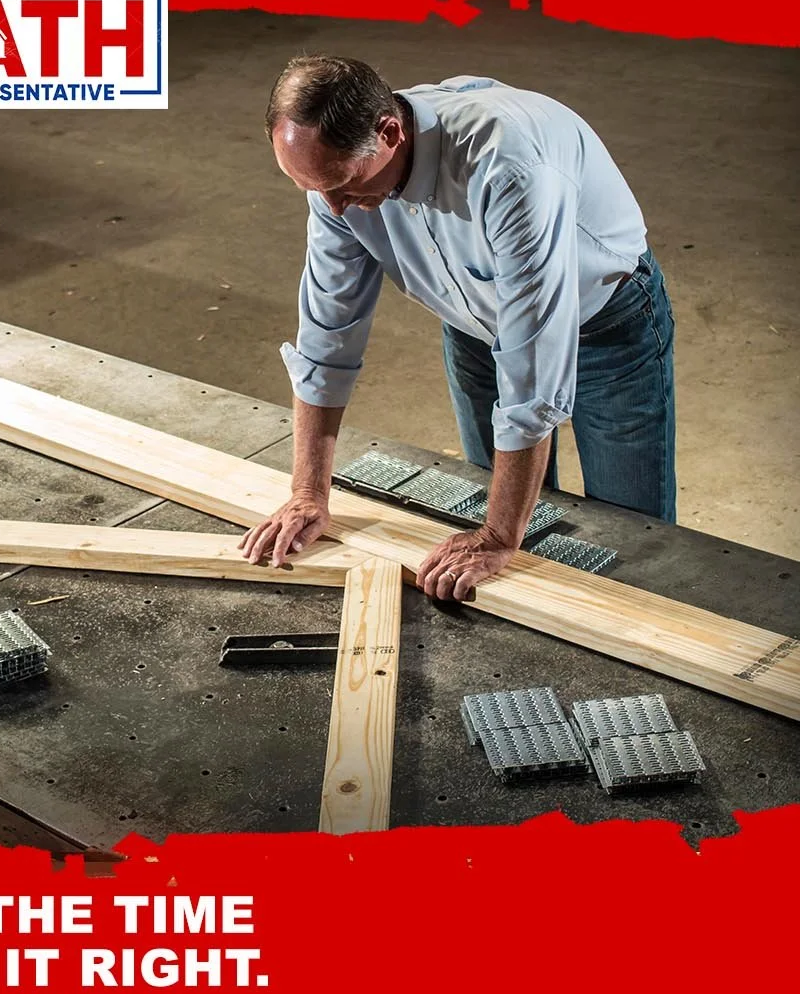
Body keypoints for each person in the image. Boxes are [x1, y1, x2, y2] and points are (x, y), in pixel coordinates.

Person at [239, 54, 676, 600]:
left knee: (630, 532)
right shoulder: (335, 183)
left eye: (343, 185)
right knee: (495, 496)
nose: (332, 205)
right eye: (313, 187)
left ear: (390, 132)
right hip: (472, 322)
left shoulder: (507, 165)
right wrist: (308, 492)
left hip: (605, 320)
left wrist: (497, 537)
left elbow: (532, 372)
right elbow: (328, 334)